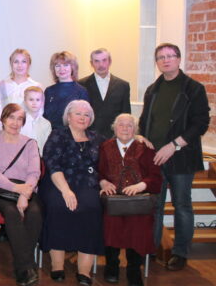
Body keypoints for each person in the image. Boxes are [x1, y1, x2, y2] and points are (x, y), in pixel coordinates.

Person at [138, 43, 210, 271]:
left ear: (179, 59)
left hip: (181, 157)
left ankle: (180, 253)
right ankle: (150, 250)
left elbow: (201, 123)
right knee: (154, 207)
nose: (166, 60)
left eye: (170, 56)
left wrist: (174, 145)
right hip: (154, 159)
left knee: (182, 205)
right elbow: (145, 120)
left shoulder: (194, 89)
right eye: (161, 57)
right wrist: (142, 137)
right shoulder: (152, 89)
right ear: (157, 62)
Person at [39, 100, 104, 286]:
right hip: (59, 182)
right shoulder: (57, 135)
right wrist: (66, 191)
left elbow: (115, 150)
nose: (83, 118)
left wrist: (139, 138)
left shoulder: (97, 138)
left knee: (92, 208)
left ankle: (84, 271)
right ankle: (57, 266)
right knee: (58, 207)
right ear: (68, 117)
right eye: (78, 114)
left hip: (88, 184)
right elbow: (52, 165)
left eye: (86, 115)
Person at [99, 114, 162, 286]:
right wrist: (103, 182)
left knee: (139, 227)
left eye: (129, 125)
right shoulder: (105, 147)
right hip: (113, 199)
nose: (125, 128)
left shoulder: (146, 148)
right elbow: (99, 172)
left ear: (135, 130)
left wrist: (141, 185)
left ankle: (134, 270)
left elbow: (156, 177)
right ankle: (112, 266)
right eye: (121, 125)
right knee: (110, 224)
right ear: (114, 128)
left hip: (138, 201)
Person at [0, 104, 42, 286]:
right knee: (11, 213)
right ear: (3, 119)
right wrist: (16, 188)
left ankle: (22, 268)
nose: (15, 123)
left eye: (20, 119)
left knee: (34, 213)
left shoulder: (30, 143)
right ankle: (26, 266)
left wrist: (24, 194)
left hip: (26, 189)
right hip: (0, 190)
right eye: (11, 117)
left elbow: (34, 172)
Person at [79, 48, 131, 138]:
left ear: (110, 61)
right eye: (96, 61)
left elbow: (126, 114)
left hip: (114, 137)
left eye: (104, 60)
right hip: (89, 137)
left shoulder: (123, 85)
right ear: (91, 63)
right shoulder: (81, 85)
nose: (101, 65)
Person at [43, 51, 90, 130]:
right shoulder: (48, 91)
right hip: (51, 134)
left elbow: (85, 119)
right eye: (57, 66)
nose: (62, 69)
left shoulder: (81, 91)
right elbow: (44, 117)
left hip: (73, 135)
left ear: (73, 67)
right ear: (53, 69)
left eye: (66, 65)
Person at [20, 86, 51, 156]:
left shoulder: (46, 124)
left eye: (38, 100)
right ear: (25, 101)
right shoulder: (20, 122)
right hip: (22, 157)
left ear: (42, 102)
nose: (34, 103)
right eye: (31, 99)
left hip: (40, 158)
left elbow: (47, 146)